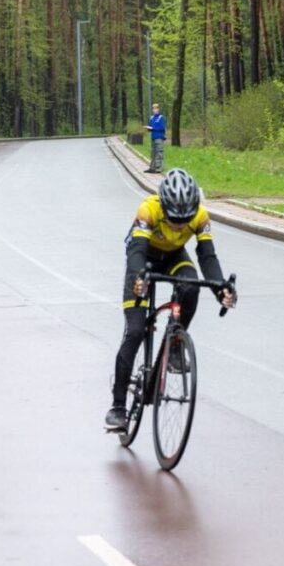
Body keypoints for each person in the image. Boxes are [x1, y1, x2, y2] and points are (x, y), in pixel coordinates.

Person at [104, 169, 236, 430]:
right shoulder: (148, 210)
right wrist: (139, 278)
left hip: (175, 257)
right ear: (164, 206)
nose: (178, 225)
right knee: (135, 331)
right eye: (174, 219)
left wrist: (221, 289)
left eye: (183, 220)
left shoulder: (200, 216)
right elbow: (137, 251)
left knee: (191, 287)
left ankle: (175, 342)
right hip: (144, 259)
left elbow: (207, 256)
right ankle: (118, 407)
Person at [144, 103, 166, 173]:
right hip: (153, 137)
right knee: (153, 153)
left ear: (158, 109)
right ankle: (152, 168)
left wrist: (153, 128)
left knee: (159, 153)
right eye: (153, 108)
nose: (154, 110)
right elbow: (150, 127)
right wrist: (148, 128)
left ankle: (158, 168)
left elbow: (162, 128)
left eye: (156, 108)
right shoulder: (152, 118)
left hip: (159, 137)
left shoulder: (161, 118)